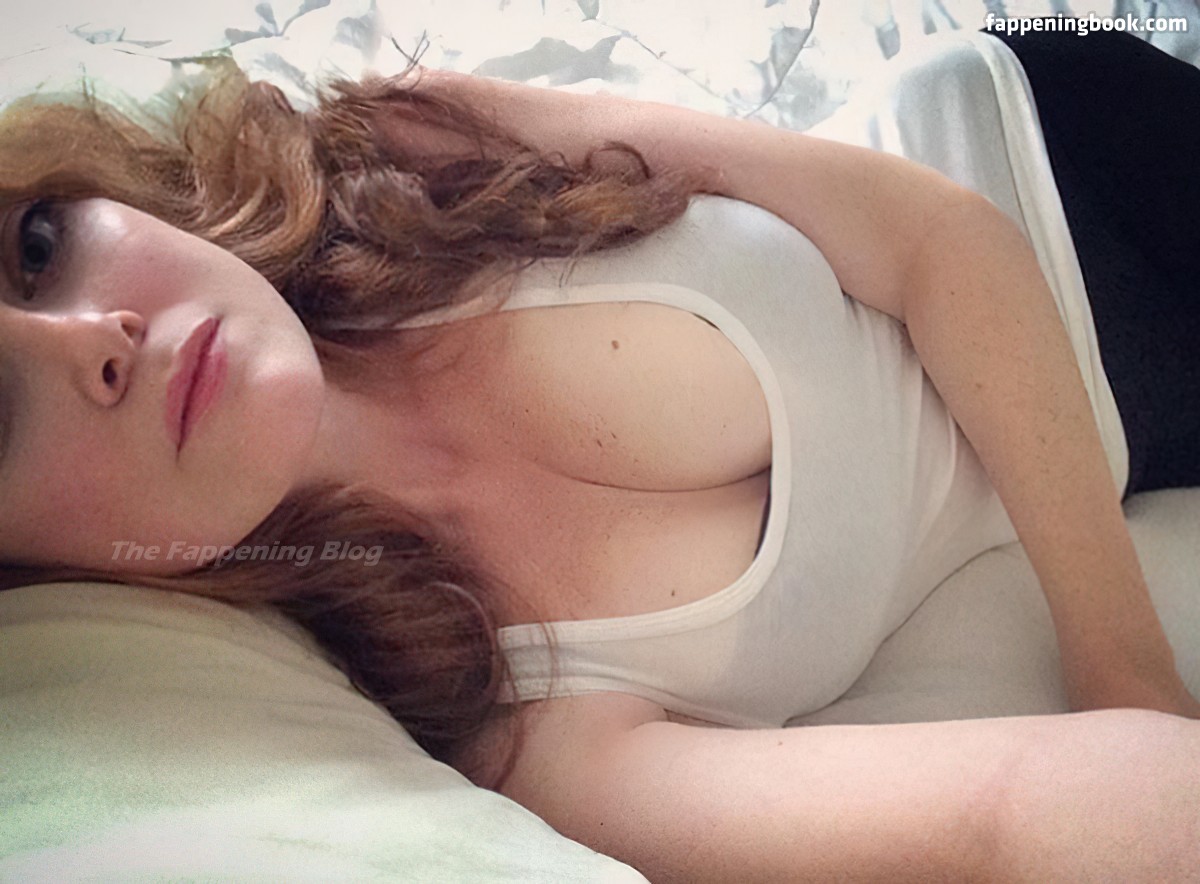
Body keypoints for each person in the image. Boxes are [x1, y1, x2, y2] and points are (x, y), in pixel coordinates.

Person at [1, 23, 1198, 880]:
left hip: (1055, 145)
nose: (93, 339)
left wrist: (1123, 662)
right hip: (1143, 430)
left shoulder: (406, 153)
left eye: (37, 246)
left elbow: (935, 236)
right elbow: (1009, 812)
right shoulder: (496, 710)